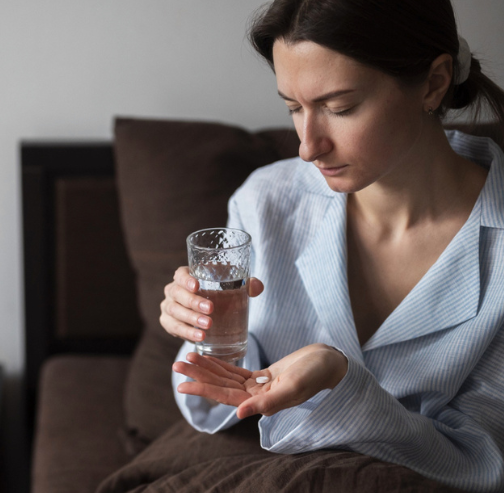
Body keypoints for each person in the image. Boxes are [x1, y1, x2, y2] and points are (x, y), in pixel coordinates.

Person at [159, 0, 504, 491]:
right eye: (294, 108)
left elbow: (482, 464)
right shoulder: (266, 202)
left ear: (433, 83)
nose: (308, 146)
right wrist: (209, 332)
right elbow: (220, 403)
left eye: (340, 108)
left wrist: (342, 382)